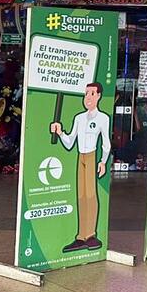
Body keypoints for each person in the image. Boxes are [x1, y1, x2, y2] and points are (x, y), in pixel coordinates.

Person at [51, 82, 112, 253]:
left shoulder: (103, 119)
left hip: (92, 156)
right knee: (81, 196)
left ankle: (90, 235)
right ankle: (80, 237)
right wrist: (60, 132)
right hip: (81, 157)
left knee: (91, 195)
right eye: (86, 94)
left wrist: (103, 161)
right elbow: (70, 142)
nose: (88, 98)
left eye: (92, 94)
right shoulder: (79, 118)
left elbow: (106, 143)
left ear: (98, 96)